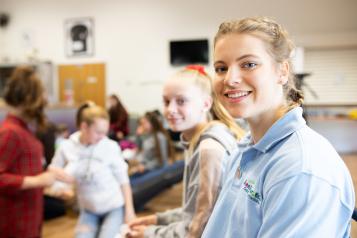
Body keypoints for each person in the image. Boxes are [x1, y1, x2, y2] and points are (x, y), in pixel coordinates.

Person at [202, 17, 355, 237]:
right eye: (221, 68)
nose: (230, 78)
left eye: (249, 64)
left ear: (282, 71)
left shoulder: (301, 168)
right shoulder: (246, 148)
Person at [127, 65, 245, 238]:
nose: (170, 110)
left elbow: (200, 226)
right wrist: (157, 219)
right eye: (166, 102)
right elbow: (194, 210)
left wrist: (149, 233)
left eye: (181, 101)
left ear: (205, 104)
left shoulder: (209, 150)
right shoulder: (199, 141)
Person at [0, 66, 71, 237]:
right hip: (15, 221)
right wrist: (38, 180)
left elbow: (21, 169)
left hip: (28, 216)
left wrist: (48, 176)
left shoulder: (22, 130)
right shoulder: (11, 132)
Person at [49, 103, 136, 237]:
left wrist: (129, 211)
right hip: (88, 210)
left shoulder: (110, 146)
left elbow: (123, 181)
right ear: (84, 126)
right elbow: (53, 171)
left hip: (113, 208)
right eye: (98, 132)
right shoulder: (67, 147)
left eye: (104, 132)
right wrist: (60, 188)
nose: (102, 137)